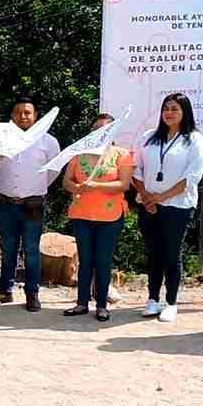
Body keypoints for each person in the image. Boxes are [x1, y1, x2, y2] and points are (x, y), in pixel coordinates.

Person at [133, 93, 203, 323]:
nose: (169, 113)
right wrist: (147, 197)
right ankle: (153, 299)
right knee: (153, 253)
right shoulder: (148, 138)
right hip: (148, 205)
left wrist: (161, 197)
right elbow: (135, 170)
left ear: (185, 112)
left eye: (175, 109)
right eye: (166, 108)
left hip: (177, 206)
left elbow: (192, 177)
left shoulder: (195, 140)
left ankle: (171, 302)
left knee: (171, 254)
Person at [0, 96, 61, 310]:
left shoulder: (49, 141)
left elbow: (54, 171)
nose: (23, 116)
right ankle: (6, 290)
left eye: (27, 112)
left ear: (36, 116)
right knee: (8, 248)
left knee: (31, 249)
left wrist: (34, 189)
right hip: (6, 203)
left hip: (33, 204)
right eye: (18, 112)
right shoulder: (0, 140)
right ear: (12, 116)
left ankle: (32, 293)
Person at [62, 114, 133, 322]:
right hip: (82, 214)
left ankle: (101, 305)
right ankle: (81, 303)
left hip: (110, 217)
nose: (102, 132)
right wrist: (76, 187)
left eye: (106, 128)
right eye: (97, 129)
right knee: (85, 261)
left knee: (103, 261)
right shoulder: (79, 154)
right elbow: (67, 181)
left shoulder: (122, 154)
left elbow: (124, 184)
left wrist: (96, 186)